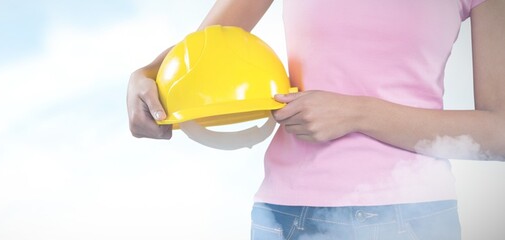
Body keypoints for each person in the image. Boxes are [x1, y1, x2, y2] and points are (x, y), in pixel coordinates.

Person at [127, 0, 504, 239]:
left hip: (406, 216)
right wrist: (143, 75)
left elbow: (499, 133)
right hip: (282, 214)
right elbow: (202, 51)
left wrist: (358, 113)